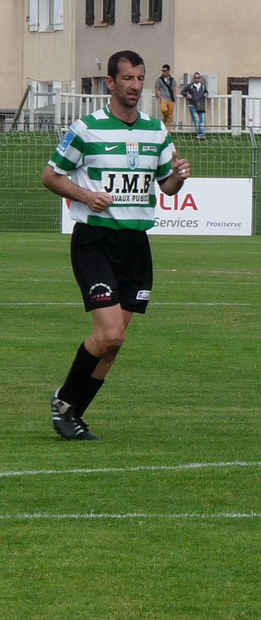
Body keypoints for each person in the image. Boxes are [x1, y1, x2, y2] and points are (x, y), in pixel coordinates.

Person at [42, 50, 191, 440]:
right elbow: (51, 176)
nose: (135, 86)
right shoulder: (86, 129)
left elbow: (166, 186)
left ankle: (71, 411)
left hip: (136, 244)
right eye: (127, 79)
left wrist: (179, 177)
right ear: (110, 82)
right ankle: (65, 402)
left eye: (140, 79)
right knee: (109, 334)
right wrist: (85, 195)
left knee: (115, 343)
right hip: (95, 239)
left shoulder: (156, 132)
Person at [182, 71, 208, 140]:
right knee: (196, 119)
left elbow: (206, 91)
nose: (197, 79)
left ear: (200, 78)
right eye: (195, 78)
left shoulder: (202, 86)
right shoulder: (190, 86)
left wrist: (206, 93)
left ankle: (202, 134)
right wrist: (187, 94)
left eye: (198, 78)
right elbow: (183, 91)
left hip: (201, 105)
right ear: (193, 78)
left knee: (202, 120)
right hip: (192, 104)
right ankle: (199, 134)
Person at [154, 64, 177, 129]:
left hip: (171, 99)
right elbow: (157, 89)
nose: (163, 72)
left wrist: (174, 99)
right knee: (164, 109)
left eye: (164, 71)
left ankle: (168, 131)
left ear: (168, 71)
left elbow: (174, 90)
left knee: (170, 117)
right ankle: (165, 117)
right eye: (162, 71)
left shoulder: (172, 80)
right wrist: (160, 96)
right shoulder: (159, 80)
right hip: (163, 98)